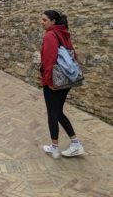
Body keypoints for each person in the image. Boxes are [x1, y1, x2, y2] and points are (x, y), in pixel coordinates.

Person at [40, 10, 85, 159]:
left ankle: (54, 149)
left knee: (52, 113)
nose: (42, 22)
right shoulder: (63, 32)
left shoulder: (50, 35)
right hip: (67, 80)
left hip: (56, 80)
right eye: (42, 20)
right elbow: (74, 54)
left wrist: (48, 81)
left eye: (45, 20)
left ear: (53, 21)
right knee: (58, 112)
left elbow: (49, 60)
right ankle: (75, 144)